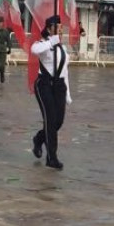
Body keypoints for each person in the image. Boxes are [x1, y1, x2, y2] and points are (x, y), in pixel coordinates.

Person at [31, 15, 71, 169]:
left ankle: (39, 139)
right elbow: (35, 50)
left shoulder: (63, 48)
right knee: (50, 120)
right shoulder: (42, 43)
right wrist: (50, 42)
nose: (59, 30)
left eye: (60, 27)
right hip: (45, 85)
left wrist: (67, 93)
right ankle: (51, 157)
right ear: (49, 29)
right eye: (56, 27)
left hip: (59, 86)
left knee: (58, 122)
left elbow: (64, 71)